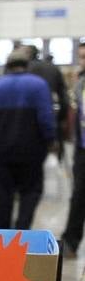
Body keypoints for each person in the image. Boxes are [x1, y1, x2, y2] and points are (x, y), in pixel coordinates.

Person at [0, 47, 55, 231]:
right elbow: (46, 118)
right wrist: (50, 139)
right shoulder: (38, 85)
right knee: (30, 191)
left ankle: (2, 234)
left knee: (2, 193)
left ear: (7, 66)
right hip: (32, 149)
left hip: (1, 149)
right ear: (27, 65)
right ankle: (22, 229)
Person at [60, 41, 85, 257]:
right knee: (78, 195)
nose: (82, 62)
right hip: (82, 149)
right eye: (81, 57)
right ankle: (70, 241)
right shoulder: (80, 83)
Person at [24, 44, 68, 144]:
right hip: (51, 116)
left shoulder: (24, 71)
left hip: (28, 122)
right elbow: (63, 97)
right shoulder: (52, 68)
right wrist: (62, 118)